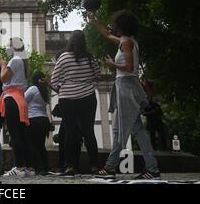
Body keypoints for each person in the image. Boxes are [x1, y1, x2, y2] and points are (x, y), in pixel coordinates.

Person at [88, 11, 161, 180]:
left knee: (123, 129)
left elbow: (128, 67)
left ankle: (111, 166)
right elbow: (106, 35)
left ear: (121, 27)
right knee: (131, 128)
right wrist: (94, 21)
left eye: (116, 26)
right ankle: (150, 167)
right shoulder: (127, 41)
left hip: (126, 85)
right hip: (126, 85)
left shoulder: (126, 43)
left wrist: (112, 64)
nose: (114, 28)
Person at [51, 30, 101, 176]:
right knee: (89, 132)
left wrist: (67, 86)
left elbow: (54, 80)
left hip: (68, 100)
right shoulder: (90, 58)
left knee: (70, 133)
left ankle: (70, 165)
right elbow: (97, 75)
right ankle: (94, 165)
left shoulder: (64, 57)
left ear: (71, 41)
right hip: (88, 98)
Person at [0, 37, 35, 178]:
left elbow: (4, 78)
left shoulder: (14, 60)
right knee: (22, 134)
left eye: (9, 44)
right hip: (20, 98)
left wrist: (2, 65)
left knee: (15, 134)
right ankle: (28, 167)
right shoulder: (22, 61)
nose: (7, 47)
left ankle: (18, 167)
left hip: (12, 98)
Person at [25, 71, 51, 175]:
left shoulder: (33, 89)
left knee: (32, 144)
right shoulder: (45, 91)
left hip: (33, 119)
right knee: (41, 145)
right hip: (44, 120)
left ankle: (35, 167)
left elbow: (23, 100)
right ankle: (45, 167)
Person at [142, 79, 168, 151]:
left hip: (158, 120)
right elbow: (143, 112)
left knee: (162, 133)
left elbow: (159, 109)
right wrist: (151, 112)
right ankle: (153, 150)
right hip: (151, 121)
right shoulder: (146, 99)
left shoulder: (153, 97)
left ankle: (164, 149)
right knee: (152, 136)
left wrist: (159, 114)